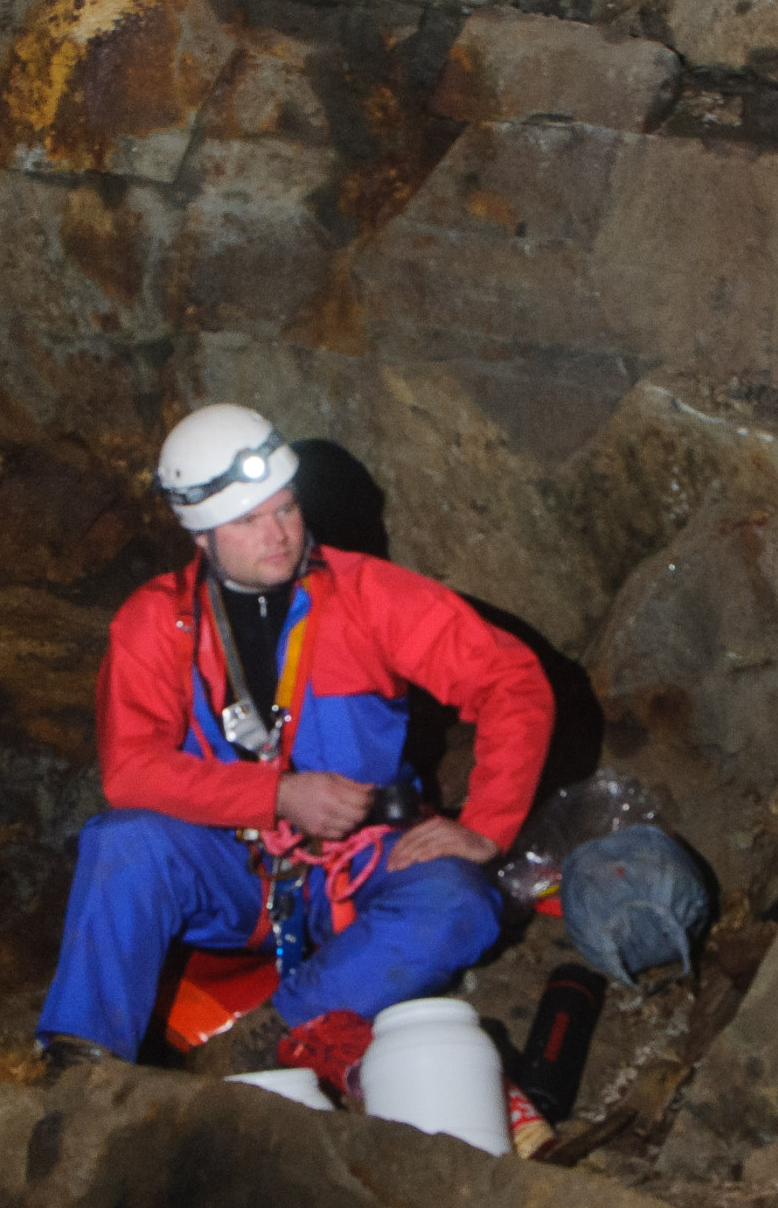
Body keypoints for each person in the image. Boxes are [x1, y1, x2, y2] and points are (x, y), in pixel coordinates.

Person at [36, 405, 556, 1067]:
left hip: (357, 861)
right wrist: (278, 795)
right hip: (228, 866)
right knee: (122, 842)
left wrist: (486, 826)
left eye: (285, 508)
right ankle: (82, 1062)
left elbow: (511, 680)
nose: (278, 534)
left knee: (457, 905)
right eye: (248, 521)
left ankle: (268, 1039)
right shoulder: (156, 622)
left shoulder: (366, 595)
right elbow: (130, 772)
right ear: (201, 535)